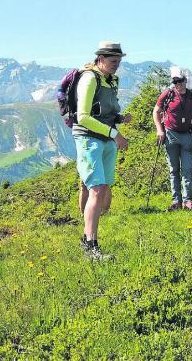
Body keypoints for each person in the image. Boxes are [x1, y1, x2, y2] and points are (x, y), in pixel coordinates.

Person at [73, 41, 131, 260]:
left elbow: (104, 111)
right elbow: (83, 117)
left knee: (103, 189)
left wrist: (119, 119)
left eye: (119, 61)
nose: (117, 65)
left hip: (106, 138)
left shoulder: (110, 80)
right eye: (113, 61)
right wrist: (116, 134)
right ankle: (91, 245)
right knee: (96, 189)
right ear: (101, 59)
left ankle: (87, 236)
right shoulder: (89, 78)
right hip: (89, 139)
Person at [153, 66, 192, 211]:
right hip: (170, 134)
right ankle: (176, 201)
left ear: (186, 81)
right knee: (174, 169)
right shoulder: (167, 94)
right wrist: (159, 131)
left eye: (180, 81)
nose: (178, 85)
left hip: (186, 135)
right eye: (175, 82)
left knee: (187, 169)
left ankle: (188, 201)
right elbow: (156, 111)